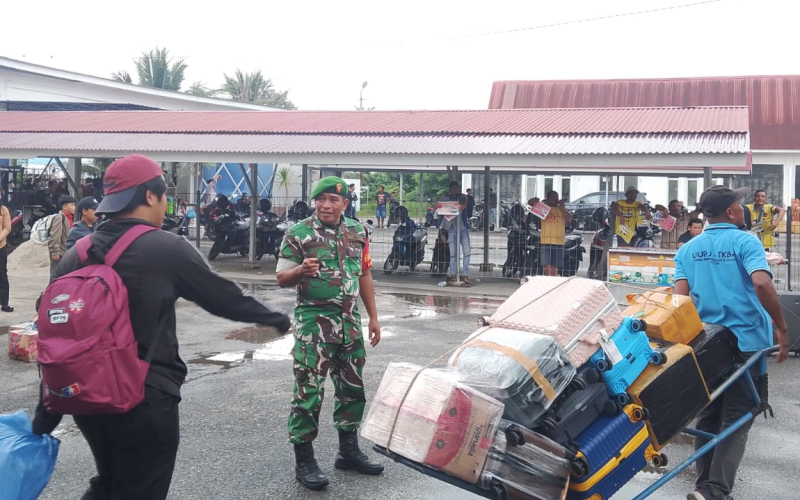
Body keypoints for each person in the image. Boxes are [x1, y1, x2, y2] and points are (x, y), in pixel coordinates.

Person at [32, 154, 291, 500]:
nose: (165, 203)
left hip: (85, 397)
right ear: (151, 196)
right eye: (164, 196)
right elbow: (222, 297)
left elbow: (54, 327)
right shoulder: (165, 247)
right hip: (143, 397)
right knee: (140, 488)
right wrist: (275, 316)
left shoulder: (76, 252)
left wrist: (47, 411)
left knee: (110, 482)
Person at [674, 185, 789, 500]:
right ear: (730, 211)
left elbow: (679, 301)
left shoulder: (688, 249)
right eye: (740, 204)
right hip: (746, 342)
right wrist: (781, 327)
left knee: (709, 414)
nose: (744, 208)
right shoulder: (745, 241)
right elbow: (762, 283)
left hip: (706, 342)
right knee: (740, 414)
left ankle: (703, 485)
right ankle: (715, 491)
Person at [276, 176, 383, 491]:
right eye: (321, 199)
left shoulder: (358, 232)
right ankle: (304, 461)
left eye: (333, 200)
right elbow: (282, 277)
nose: (326, 205)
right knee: (309, 393)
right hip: (314, 325)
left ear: (345, 204)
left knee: (353, 389)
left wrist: (373, 317)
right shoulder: (298, 234)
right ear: (314, 202)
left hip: (349, 323)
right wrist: (300, 271)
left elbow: (363, 273)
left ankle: (348, 452)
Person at [528, 191, 572, 276]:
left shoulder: (561, 209)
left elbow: (569, 219)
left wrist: (562, 206)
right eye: (553, 197)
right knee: (546, 263)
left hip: (559, 240)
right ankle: (548, 279)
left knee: (555, 264)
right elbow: (530, 203)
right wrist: (535, 200)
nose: (555, 199)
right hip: (546, 240)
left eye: (556, 197)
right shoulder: (544, 208)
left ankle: (553, 279)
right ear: (548, 199)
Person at [48, 195, 76, 282]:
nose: (74, 207)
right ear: (64, 207)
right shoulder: (60, 217)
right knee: (55, 274)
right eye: (71, 205)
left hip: (66, 252)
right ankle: (51, 293)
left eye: (74, 205)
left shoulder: (69, 218)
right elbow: (55, 235)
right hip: (59, 252)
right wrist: (55, 251)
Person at [0, 187, 12, 312]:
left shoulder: (3, 210)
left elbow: (7, 228)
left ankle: (4, 303)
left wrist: (0, 238)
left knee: (2, 275)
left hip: (0, 247)